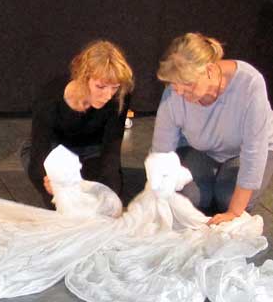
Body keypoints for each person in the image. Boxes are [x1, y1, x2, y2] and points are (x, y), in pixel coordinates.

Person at [152, 32, 273, 225]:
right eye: (174, 85)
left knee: (228, 199)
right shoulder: (174, 93)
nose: (180, 92)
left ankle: (223, 186)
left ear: (209, 70)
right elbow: (161, 150)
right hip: (202, 150)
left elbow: (254, 151)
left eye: (188, 85)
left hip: (243, 153)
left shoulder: (250, 84)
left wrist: (234, 212)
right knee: (185, 198)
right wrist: (156, 190)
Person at [22, 40, 134, 208]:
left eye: (114, 87)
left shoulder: (119, 96)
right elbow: (39, 153)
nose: (108, 95)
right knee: (62, 205)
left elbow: (111, 152)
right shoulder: (50, 99)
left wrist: (110, 195)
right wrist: (46, 181)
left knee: (99, 200)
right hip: (54, 149)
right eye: (100, 87)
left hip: (92, 150)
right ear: (83, 78)